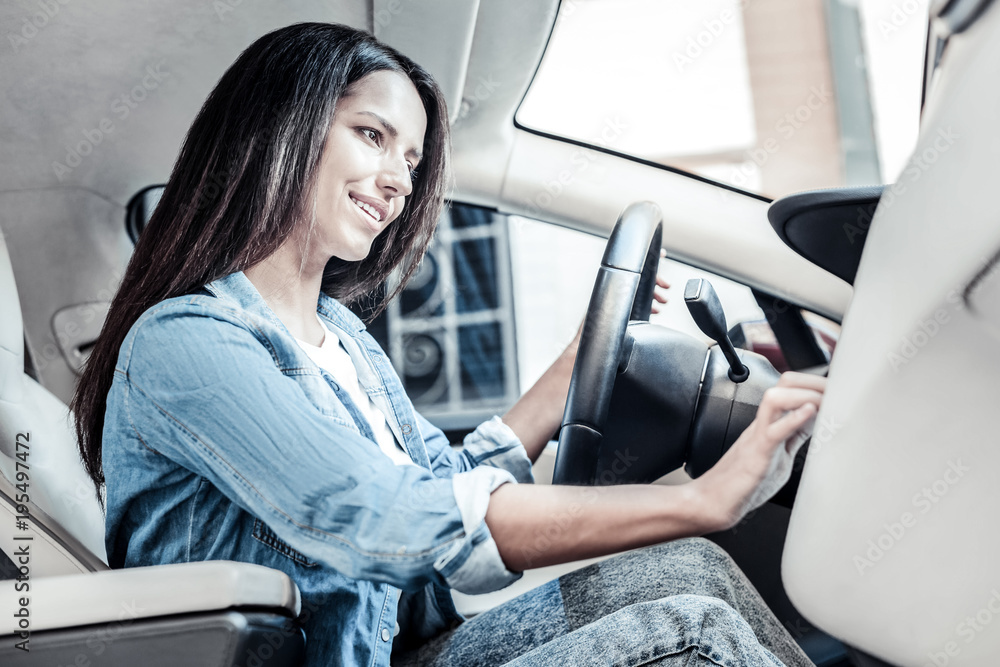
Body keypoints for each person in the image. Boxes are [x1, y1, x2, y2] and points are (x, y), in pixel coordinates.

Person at [73, 22, 825, 667]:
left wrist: (576, 366)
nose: (400, 182)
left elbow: (439, 485)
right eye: (373, 136)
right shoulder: (184, 345)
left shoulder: (342, 341)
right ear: (281, 127)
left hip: (395, 647)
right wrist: (699, 499)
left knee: (691, 572)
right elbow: (386, 516)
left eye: (410, 160)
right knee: (689, 628)